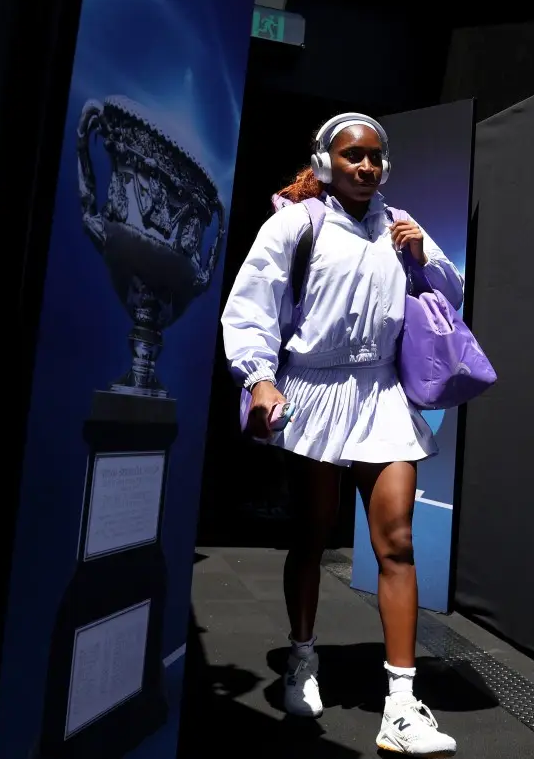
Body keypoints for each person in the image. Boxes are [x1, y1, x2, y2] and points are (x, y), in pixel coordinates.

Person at [220, 113, 464, 757]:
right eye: (353, 156)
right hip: (314, 391)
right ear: (327, 161)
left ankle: (403, 704)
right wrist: (258, 377)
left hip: (381, 392)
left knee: (398, 543)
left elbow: (451, 293)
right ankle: (302, 659)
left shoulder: (399, 225)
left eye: (375, 157)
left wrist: (421, 256)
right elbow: (250, 307)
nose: (366, 167)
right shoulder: (296, 223)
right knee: (311, 531)